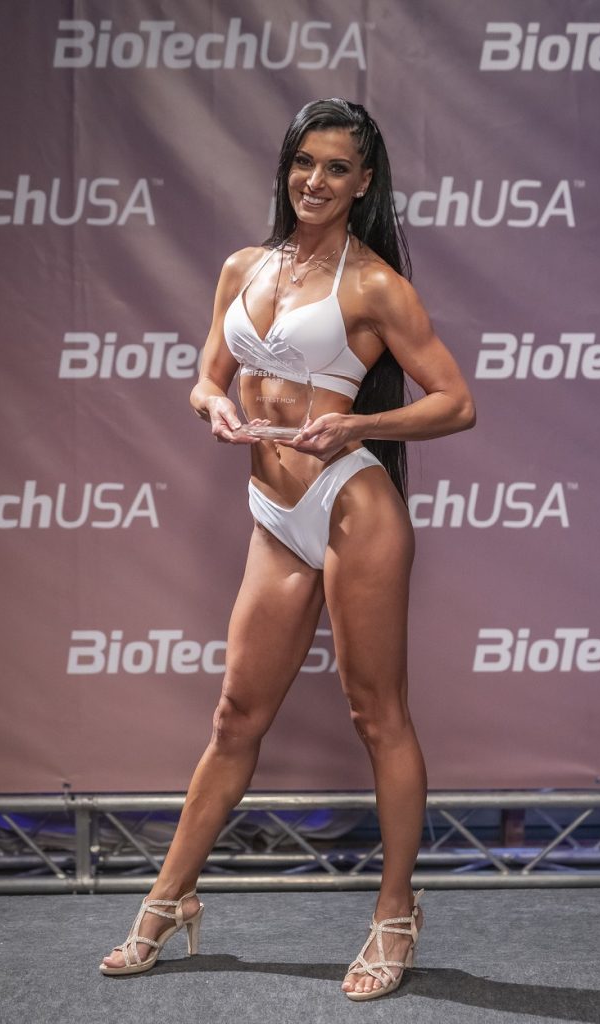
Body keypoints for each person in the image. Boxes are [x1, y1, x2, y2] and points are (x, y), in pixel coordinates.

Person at [99, 98, 475, 1000]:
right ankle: (169, 899)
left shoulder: (374, 284)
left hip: (351, 504)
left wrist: (360, 425)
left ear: (363, 183)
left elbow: (455, 403)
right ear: (286, 167)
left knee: (375, 714)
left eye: (337, 167)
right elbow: (207, 376)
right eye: (305, 162)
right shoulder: (244, 265)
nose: (316, 180)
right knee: (236, 715)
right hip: (273, 509)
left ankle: (395, 912)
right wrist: (214, 407)